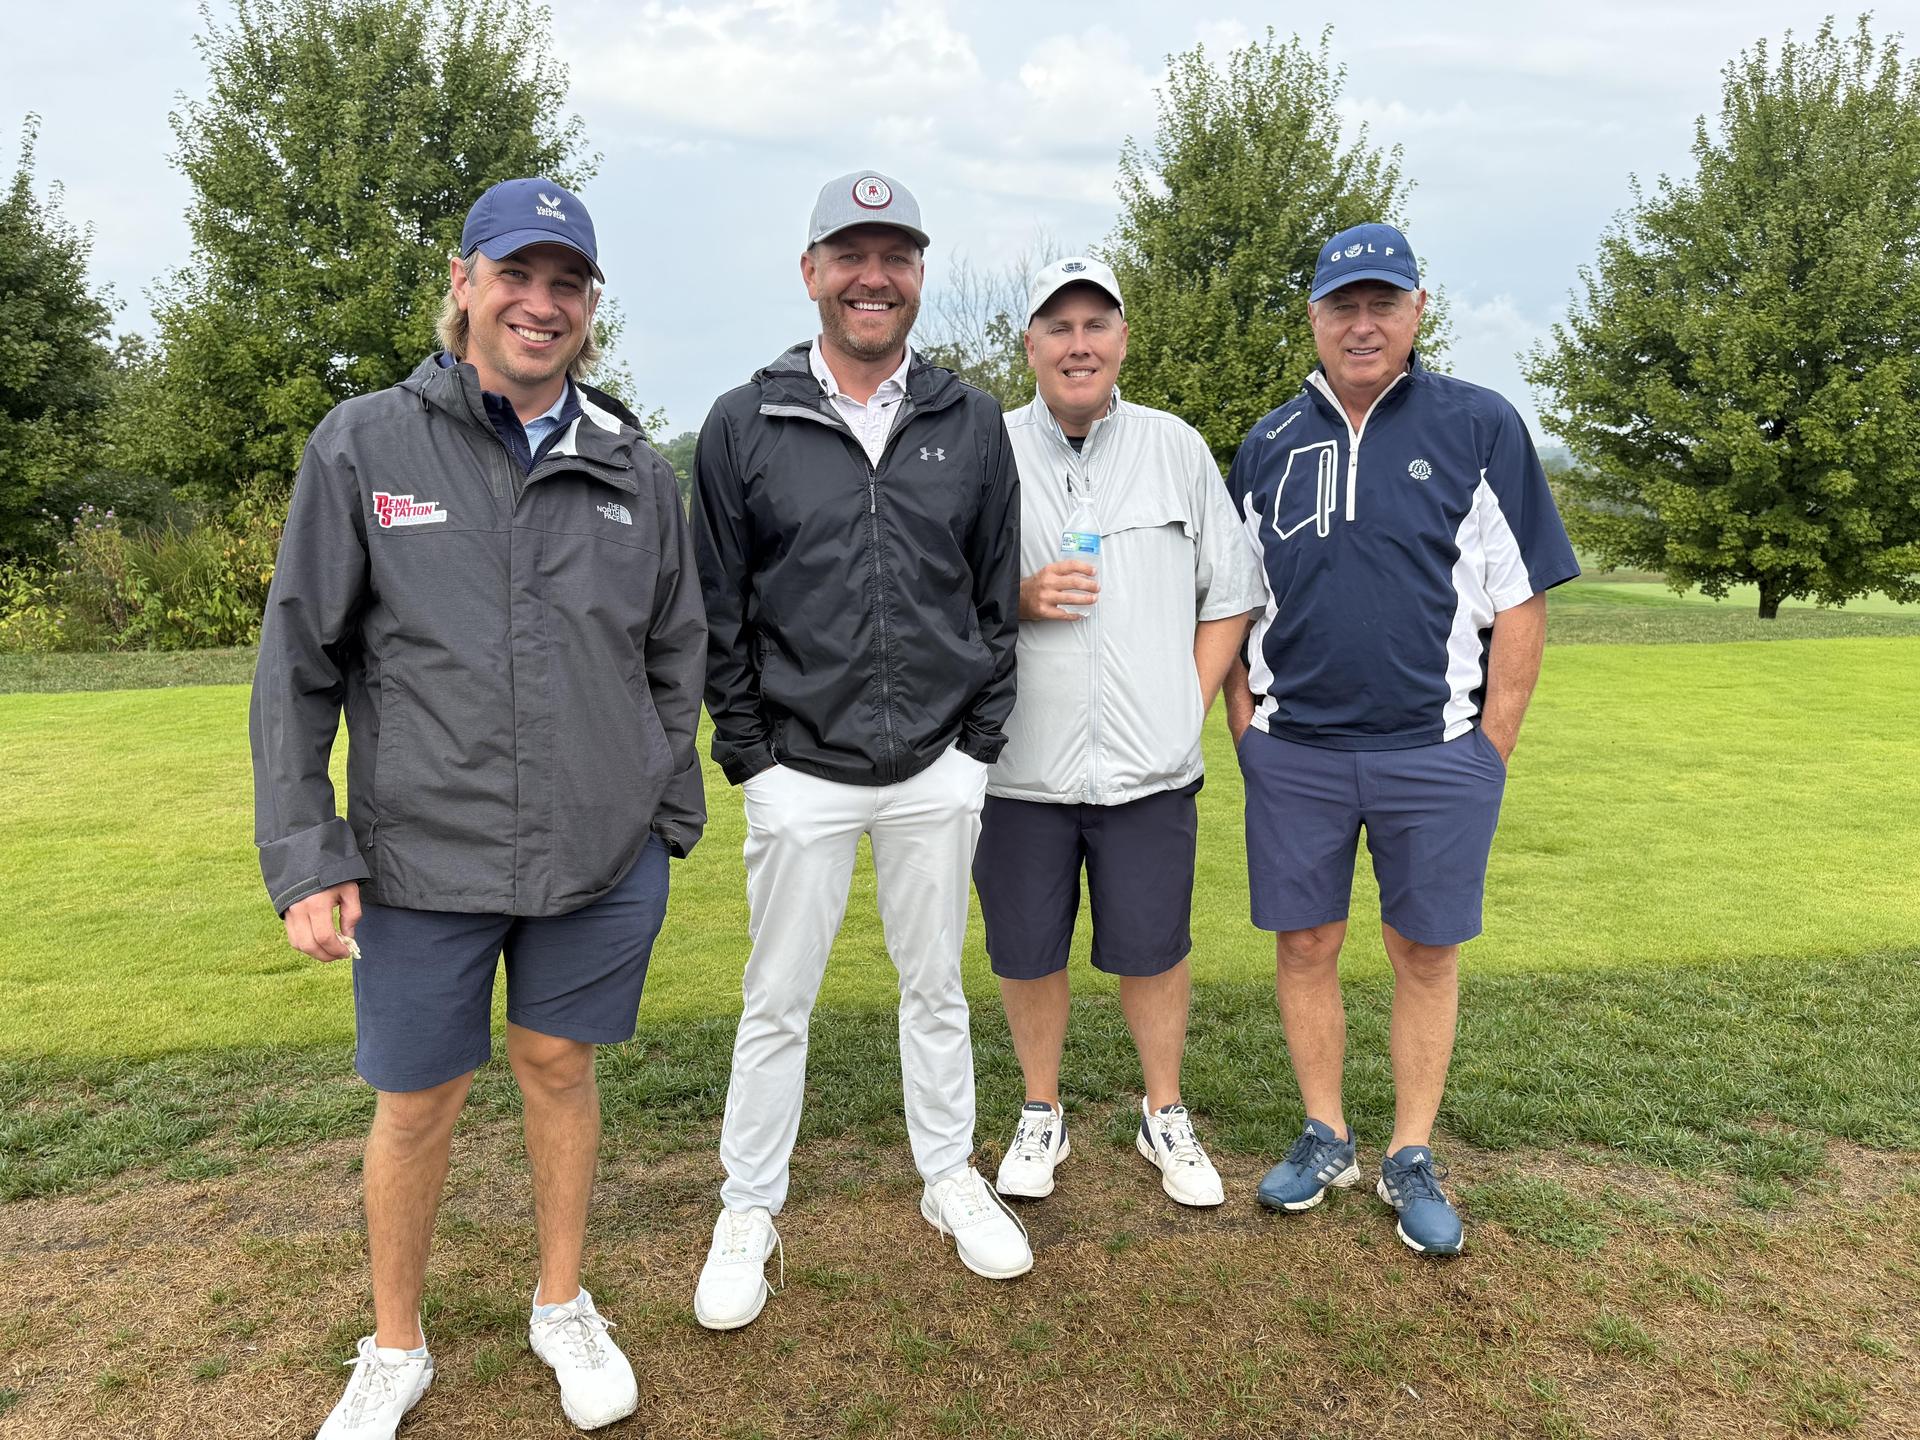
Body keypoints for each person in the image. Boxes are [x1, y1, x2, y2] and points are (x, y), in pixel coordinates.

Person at [249, 178, 705, 1436]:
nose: (541, 304)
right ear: (464, 281)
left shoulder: (631, 466)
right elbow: (298, 663)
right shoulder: (365, 443)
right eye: (518, 275)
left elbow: (677, 656)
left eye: (568, 283)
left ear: (591, 306)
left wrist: (663, 811)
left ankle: (561, 1302)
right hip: (422, 860)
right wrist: (305, 854)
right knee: (420, 1100)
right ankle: (395, 1344)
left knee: (560, 1068)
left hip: (598, 861)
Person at [688, 169, 1028, 1330]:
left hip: (938, 763)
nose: (873, 276)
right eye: (851, 254)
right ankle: (749, 1205)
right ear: (812, 271)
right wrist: (752, 760)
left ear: (918, 275)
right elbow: (716, 613)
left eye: (896, 256)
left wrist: (978, 744)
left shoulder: (969, 418)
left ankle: (949, 1178)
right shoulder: (747, 419)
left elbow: (991, 599)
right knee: (777, 999)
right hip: (801, 773)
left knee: (934, 988)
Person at [1223, 222, 1579, 1255]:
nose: (1363, 323)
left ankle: (1410, 1152)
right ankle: (1326, 1134)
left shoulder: (1480, 426)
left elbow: (1520, 602)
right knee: (1307, 944)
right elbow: (1238, 605)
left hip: (1437, 752)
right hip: (1297, 753)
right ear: (1315, 317)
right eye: (1344, 305)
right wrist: (1247, 730)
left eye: (1384, 303)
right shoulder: (1269, 442)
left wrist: (1489, 748)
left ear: (1418, 309)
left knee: (1424, 951)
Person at [977, 257, 1262, 1208]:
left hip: (1151, 769)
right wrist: (1017, 598)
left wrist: (1187, 701)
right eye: (1057, 328)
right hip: (1020, 769)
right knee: (1028, 950)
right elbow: (944, 597)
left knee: (1153, 949)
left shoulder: (1175, 446)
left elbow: (1230, 592)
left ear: (1123, 341)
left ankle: (1164, 1113)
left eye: (1097, 325)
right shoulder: (986, 448)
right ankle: (1039, 1110)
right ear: (1030, 345)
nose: (1078, 343)